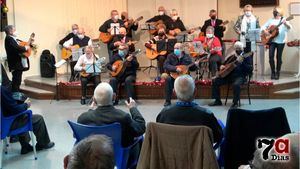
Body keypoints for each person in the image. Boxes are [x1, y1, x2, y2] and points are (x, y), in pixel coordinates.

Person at [77, 82, 145, 166]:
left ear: (94, 99)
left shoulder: (83, 119)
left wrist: (90, 111)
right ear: (114, 97)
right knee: (140, 137)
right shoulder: (123, 117)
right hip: (118, 157)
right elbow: (141, 128)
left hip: (92, 158)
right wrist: (133, 108)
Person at [156, 75, 223, 144]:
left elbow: (159, 137)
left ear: (174, 93)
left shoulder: (164, 114)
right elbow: (218, 137)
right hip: (198, 154)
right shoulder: (207, 115)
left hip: (171, 154)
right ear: (195, 92)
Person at [1, 85, 55, 154]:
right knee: (37, 118)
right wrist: (26, 105)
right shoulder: (1, 90)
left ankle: (25, 146)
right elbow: (16, 109)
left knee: (22, 116)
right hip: (6, 126)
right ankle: (44, 144)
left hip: (2, 123)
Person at [209, 41, 253, 108]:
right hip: (229, 76)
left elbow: (250, 69)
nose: (238, 50)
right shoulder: (232, 57)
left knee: (236, 84)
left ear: (242, 49)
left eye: (239, 49)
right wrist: (221, 66)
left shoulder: (246, 57)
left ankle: (235, 103)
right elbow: (224, 64)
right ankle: (217, 101)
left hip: (240, 77)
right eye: (236, 49)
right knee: (215, 80)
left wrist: (242, 63)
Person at [261, 7, 292, 80]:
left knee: (278, 57)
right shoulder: (271, 20)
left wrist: (285, 24)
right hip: (272, 41)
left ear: (280, 12)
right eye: (274, 11)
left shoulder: (284, 19)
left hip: (281, 41)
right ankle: (273, 72)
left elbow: (289, 28)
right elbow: (263, 26)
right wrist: (265, 31)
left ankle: (278, 72)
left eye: (276, 11)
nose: (275, 13)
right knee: (271, 57)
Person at [4, 25, 30, 92]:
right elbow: (17, 48)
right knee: (16, 80)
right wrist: (25, 48)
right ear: (10, 31)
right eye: (14, 30)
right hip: (15, 64)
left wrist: (29, 44)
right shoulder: (9, 38)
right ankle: (15, 96)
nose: (16, 31)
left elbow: (17, 47)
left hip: (16, 63)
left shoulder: (11, 38)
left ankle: (16, 94)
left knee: (17, 80)